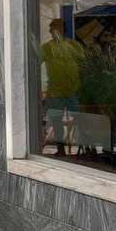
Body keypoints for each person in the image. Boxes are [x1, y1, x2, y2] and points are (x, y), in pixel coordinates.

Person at [40, 18, 84, 155]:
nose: (51, 31)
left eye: (53, 28)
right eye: (51, 29)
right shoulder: (47, 47)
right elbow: (35, 64)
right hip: (55, 92)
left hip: (73, 90)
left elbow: (83, 64)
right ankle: (61, 149)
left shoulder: (74, 45)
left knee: (80, 120)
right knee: (56, 121)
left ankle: (87, 148)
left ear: (61, 29)